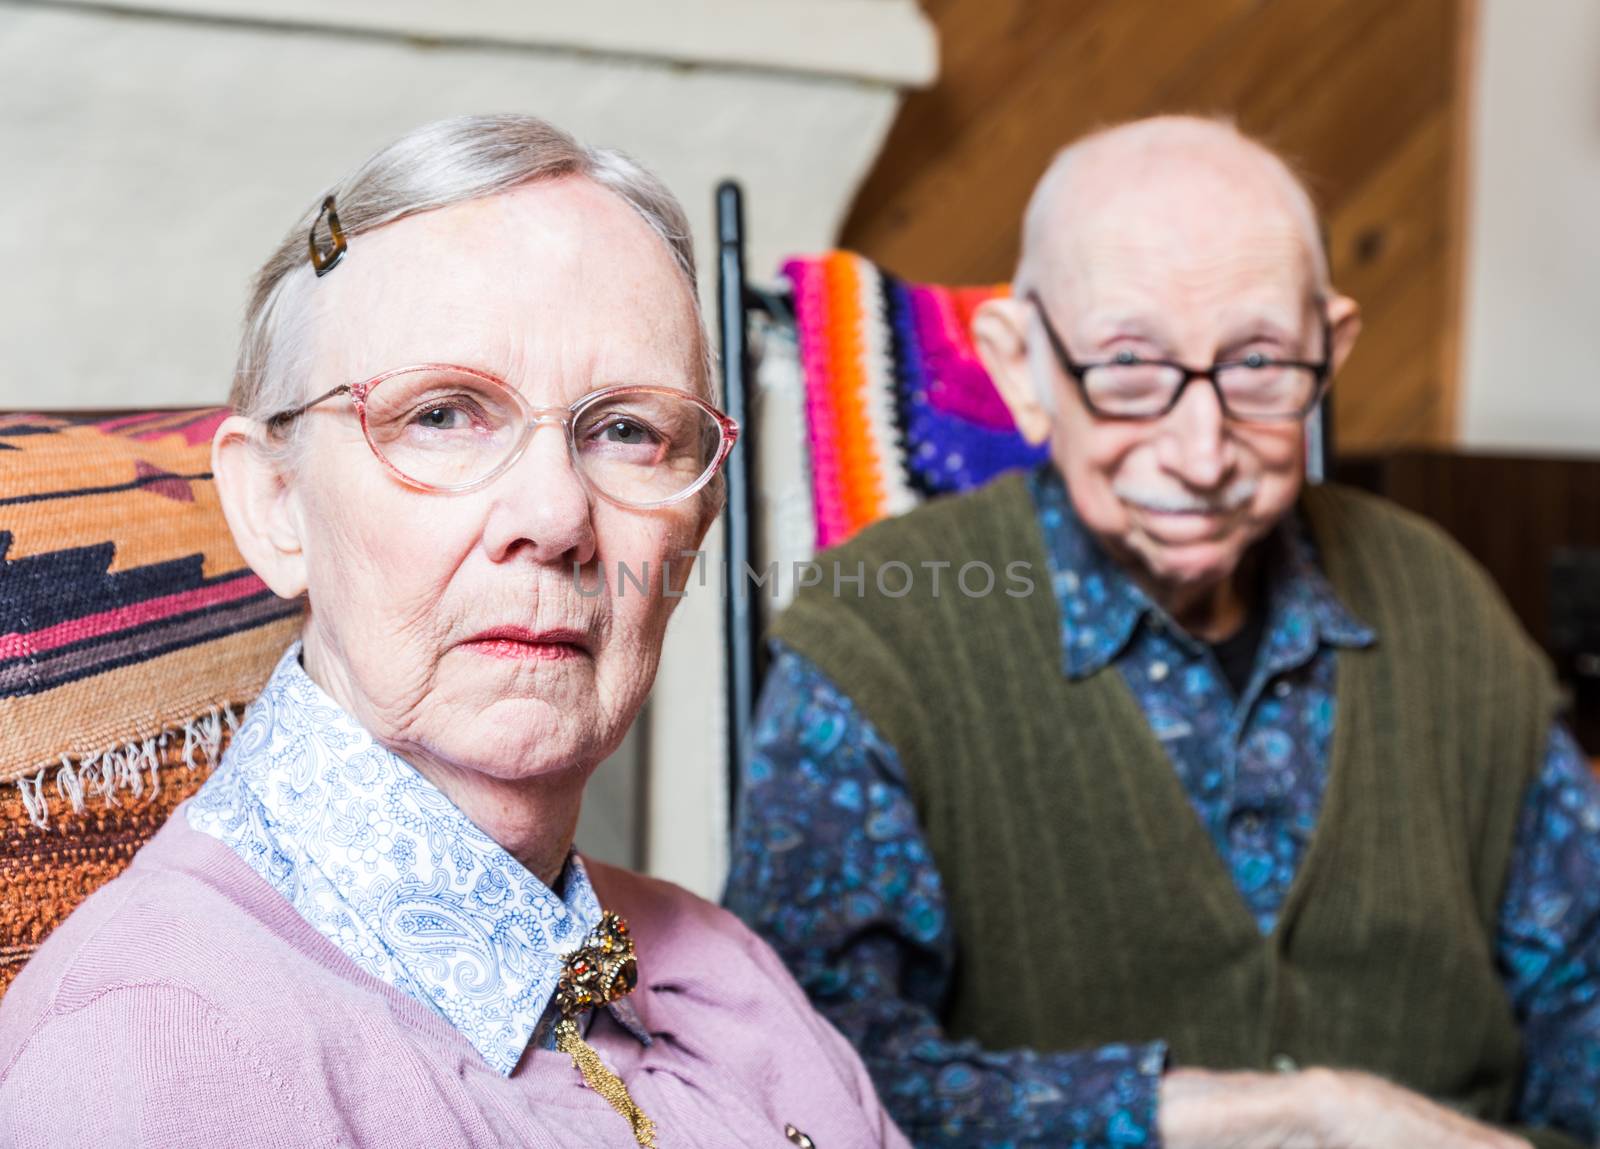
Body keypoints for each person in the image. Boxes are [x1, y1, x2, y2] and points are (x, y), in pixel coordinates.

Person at [0, 115, 908, 1149]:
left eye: (627, 430)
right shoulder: (158, 1061)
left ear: (697, 525)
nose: (557, 519)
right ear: (274, 507)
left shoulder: (723, 968)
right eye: (441, 414)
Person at [725, 116, 1600, 1149]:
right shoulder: (876, 631)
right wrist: (1280, 1116)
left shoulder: (1441, 602)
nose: (1199, 451)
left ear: (1332, 348)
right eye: (1129, 365)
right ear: (1021, 367)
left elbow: (1584, 998)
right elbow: (805, 1079)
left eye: (1259, 363)